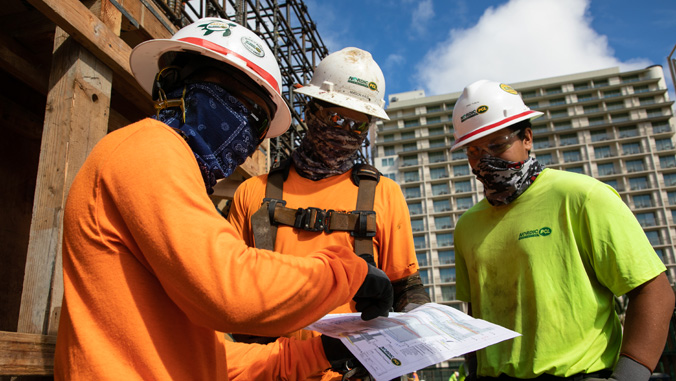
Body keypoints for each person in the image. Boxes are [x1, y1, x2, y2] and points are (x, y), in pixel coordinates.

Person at [53, 18, 393, 380]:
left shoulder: (179, 182)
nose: (245, 137)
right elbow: (231, 290)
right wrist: (348, 273)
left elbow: (214, 360)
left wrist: (320, 350)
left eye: (258, 124)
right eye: (240, 107)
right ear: (175, 82)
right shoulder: (150, 148)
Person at [451, 79, 675, 380]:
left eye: (497, 144)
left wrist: (629, 376)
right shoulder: (467, 226)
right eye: (473, 152)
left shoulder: (582, 197)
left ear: (527, 137)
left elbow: (653, 291)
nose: (485, 161)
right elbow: (476, 316)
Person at [227, 47, 430, 379]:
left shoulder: (384, 194)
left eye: (358, 126)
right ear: (310, 112)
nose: (345, 133)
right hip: (275, 369)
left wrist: (424, 324)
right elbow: (229, 291)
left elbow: (406, 288)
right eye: (337, 118)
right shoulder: (253, 194)